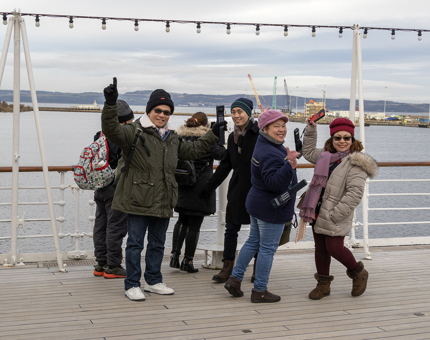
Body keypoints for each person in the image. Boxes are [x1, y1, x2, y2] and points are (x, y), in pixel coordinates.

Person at [101, 78, 226, 301]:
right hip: (138, 198)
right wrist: (110, 104)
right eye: (158, 110)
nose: (162, 115)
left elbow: (194, 150)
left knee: (158, 244)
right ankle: (132, 284)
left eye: (167, 112)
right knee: (135, 244)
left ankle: (153, 280)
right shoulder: (133, 132)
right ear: (149, 111)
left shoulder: (171, 138)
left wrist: (213, 134)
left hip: (163, 198)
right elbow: (111, 129)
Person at [224, 110, 299, 303]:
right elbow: (273, 183)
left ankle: (234, 279)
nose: (282, 130)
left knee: (253, 242)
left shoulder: (264, 143)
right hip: (270, 208)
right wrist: (289, 163)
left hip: (257, 203)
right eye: (277, 126)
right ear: (265, 128)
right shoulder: (270, 152)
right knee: (267, 249)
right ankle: (259, 290)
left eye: (283, 125)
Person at [300, 117, 378, 300]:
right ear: (331, 140)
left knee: (335, 248)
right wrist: (311, 130)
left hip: (335, 214)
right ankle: (323, 285)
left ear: (352, 140)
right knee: (320, 248)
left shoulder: (356, 163)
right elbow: (309, 152)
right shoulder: (326, 156)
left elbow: (354, 194)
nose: (342, 141)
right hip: (318, 209)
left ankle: (358, 273)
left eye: (346, 138)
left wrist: (335, 215)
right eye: (337, 138)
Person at [201, 98, 260, 283]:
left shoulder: (259, 134)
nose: (236, 116)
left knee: (258, 230)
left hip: (256, 188)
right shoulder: (232, 137)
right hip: (237, 188)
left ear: (248, 113)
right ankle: (228, 267)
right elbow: (226, 164)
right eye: (233, 112)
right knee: (231, 228)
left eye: (239, 112)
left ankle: (259, 268)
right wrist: (208, 187)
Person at [170, 112, 226, 273]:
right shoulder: (206, 139)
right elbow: (221, 154)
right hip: (201, 186)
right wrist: (218, 136)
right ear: (206, 125)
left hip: (182, 183)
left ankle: (174, 256)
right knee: (194, 225)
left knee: (181, 221)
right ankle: (187, 261)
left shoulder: (180, 137)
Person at [93, 100, 134, 279]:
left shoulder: (99, 135)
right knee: (115, 226)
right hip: (116, 186)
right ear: (124, 120)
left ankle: (100, 263)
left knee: (101, 225)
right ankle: (113, 266)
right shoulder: (122, 137)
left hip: (100, 185)